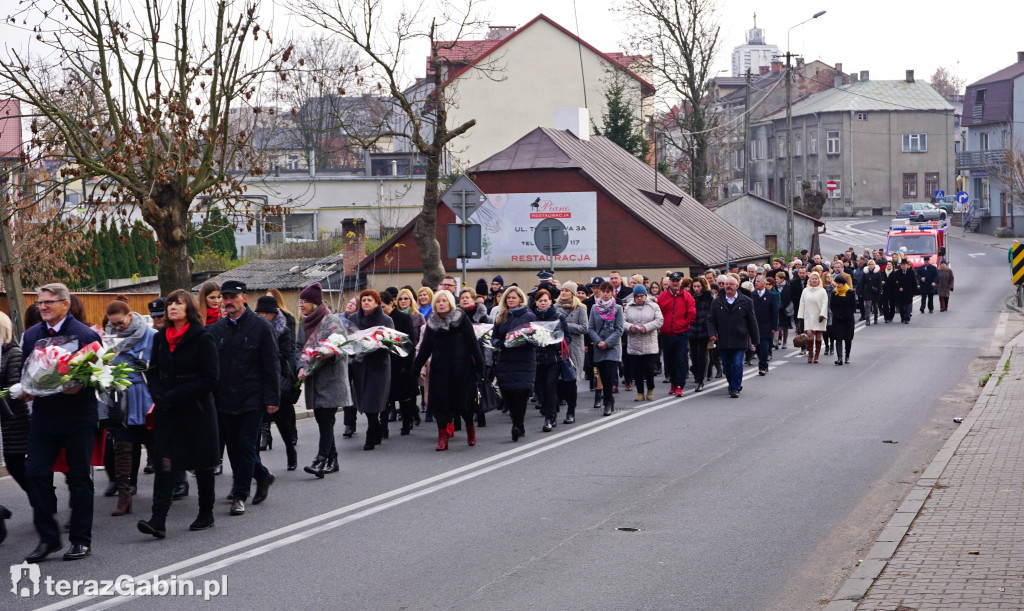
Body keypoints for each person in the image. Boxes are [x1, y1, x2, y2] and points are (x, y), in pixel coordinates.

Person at [20, 283, 101, 562]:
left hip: (77, 417)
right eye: (40, 303)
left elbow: (99, 376)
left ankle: (80, 540)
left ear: (65, 304)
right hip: (44, 419)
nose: (42, 307)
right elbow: (26, 373)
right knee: (34, 473)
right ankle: (49, 538)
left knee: (79, 479)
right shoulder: (31, 335)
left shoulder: (84, 335)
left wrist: (80, 386)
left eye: (48, 302)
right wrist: (26, 389)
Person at [136, 290, 220, 539]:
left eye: (178, 303)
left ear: (189, 308)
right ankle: (158, 519)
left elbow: (210, 379)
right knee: (164, 464)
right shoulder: (161, 337)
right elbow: (153, 371)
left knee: (202, 465)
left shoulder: (203, 337)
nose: (171, 307)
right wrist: (158, 394)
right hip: (168, 410)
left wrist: (175, 394)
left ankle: (206, 513)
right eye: (169, 303)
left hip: (196, 410)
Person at [208, 280, 280, 516]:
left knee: (247, 446)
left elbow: (271, 365)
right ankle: (262, 475)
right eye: (224, 298)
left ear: (244, 298)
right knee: (235, 449)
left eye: (232, 297)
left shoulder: (260, 327)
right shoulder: (217, 329)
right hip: (226, 399)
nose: (228, 302)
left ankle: (240, 495)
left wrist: (272, 398)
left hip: (252, 398)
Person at [413, 291, 484, 450]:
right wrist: (414, 370)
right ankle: (442, 438)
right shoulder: (431, 323)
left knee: (464, 406)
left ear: (450, 302)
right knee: (440, 405)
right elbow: (425, 349)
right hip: (440, 370)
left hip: (462, 369)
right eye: (438, 301)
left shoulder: (461, 319)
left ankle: (470, 430)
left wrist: (480, 367)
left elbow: (473, 344)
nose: (441, 303)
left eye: (444, 301)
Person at [104, 299, 156, 517]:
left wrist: (144, 365)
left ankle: (165, 494)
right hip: (122, 399)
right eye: (113, 324)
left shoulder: (151, 335)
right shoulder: (109, 338)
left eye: (121, 323)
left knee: (156, 448)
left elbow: (159, 364)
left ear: (131, 316)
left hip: (146, 397)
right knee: (122, 450)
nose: (117, 328)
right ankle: (124, 497)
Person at [296, 283, 351, 476]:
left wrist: (330, 354)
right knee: (321, 419)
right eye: (299, 302)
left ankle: (320, 460)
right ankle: (333, 459)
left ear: (314, 303)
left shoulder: (332, 320)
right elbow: (298, 349)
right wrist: (300, 366)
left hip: (332, 380)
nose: (301, 306)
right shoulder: (303, 323)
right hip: (314, 380)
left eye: (304, 302)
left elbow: (343, 348)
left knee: (326, 419)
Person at [254, 296, 298, 471]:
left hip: (278, 380)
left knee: (282, 421)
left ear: (274, 313)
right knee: (257, 423)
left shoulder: (283, 330)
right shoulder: (253, 329)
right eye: (261, 312)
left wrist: (266, 357)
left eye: (267, 312)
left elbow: (285, 354)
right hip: (258, 382)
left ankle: (290, 450)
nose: (264, 315)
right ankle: (256, 463)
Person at [349, 290, 394, 451]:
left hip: (378, 366)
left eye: (370, 300)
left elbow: (391, 344)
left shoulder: (386, 320)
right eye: (363, 300)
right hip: (360, 366)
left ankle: (371, 430)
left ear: (376, 302)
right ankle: (375, 427)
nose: (366, 303)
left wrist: (375, 344)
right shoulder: (353, 319)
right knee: (363, 398)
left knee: (372, 399)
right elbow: (349, 340)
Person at [491, 286, 537, 441]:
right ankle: (517, 422)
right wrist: (501, 343)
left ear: (520, 299)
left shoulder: (529, 316)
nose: (511, 300)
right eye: (508, 298)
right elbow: (494, 337)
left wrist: (522, 340)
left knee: (520, 393)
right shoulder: (501, 316)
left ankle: (517, 425)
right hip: (506, 360)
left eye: (514, 297)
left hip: (524, 360)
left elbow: (535, 337)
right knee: (509, 394)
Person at [0, 311, 29, 541]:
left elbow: (13, 390)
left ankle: (43, 501)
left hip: (12, 422)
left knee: (17, 467)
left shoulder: (13, 353)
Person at [706, 276, 758, 398]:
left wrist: (755, 339)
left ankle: (735, 387)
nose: (728, 286)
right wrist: (712, 333)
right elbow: (711, 319)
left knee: (737, 364)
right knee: (727, 366)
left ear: (736, 286)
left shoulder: (746, 301)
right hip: (723, 339)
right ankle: (731, 383)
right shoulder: (717, 301)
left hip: (739, 338)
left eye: (731, 284)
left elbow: (752, 321)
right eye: (726, 284)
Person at [530, 289, 568, 432]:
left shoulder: (558, 316)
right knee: (539, 388)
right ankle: (550, 410)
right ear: (536, 302)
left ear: (551, 301)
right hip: (537, 359)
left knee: (550, 387)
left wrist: (557, 343)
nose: (543, 303)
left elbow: (567, 336)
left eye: (546, 300)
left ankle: (549, 418)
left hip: (554, 358)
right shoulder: (531, 317)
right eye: (540, 301)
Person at [381, 292, 418, 435]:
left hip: (401, 361)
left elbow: (410, 342)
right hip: (386, 362)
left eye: (383, 306)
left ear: (391, 303)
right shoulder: (380, 319)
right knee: (384, 397)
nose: (381, 309)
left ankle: (406, 423)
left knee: (404, 395)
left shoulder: (403, 318)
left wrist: (407, 365)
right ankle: (383, 427)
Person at [657, 272, 696, 396]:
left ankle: (679, 385)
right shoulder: (662, 297)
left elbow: (691, 314)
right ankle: (673, 383)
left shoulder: (687, 297)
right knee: (668, 360)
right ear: (669, 282)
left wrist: (683, 324)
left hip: (681, 334)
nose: (675, 283)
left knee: (680, 359)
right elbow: (658, 313)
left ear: (680, 282)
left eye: (677, 281)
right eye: (673, 281)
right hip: (666, 334)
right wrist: (662, 326)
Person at [623, 284, 664, 401]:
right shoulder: (628, 307)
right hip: (634, 343)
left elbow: (659, 321)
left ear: (646, 296)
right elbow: (622, 322)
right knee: (637, 370)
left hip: (649, 343)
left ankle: (650, 389)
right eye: (637, 296)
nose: (640, 298)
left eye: (642, 296)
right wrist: (630, 327)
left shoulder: (653, 306)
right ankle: (640, 392)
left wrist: (646, 327)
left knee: (649, 369)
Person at [589, 282, 624, 416]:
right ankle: (609, 398)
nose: (605, 294)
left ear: (612, 293)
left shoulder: (618, 308)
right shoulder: (594, 308)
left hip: (612, 346)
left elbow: (619, 329)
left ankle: (607, 402)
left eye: (608, 291)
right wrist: (599, 341)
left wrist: (607, 343)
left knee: (609, 374)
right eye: (603, 291)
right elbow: (590, 328)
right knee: (602, 375)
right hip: (599, 347)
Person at [556, 282, 586, 423]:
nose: (563, 293)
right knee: (559, 381)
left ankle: (571, 410)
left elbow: (584, 328)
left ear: (573, 293)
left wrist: (567, 325)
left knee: (571, 380)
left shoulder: (580, 309)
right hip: (559, 348)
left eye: (566, 290)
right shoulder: (555, 308)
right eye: (562, 290)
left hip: (574, 348)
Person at [687, 277, 713, 392]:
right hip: (692, 330)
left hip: (704, 329)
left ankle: (701, 379)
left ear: (703, 286)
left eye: (698, 286)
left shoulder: (708, 297)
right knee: (693, 355)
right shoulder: (689, 297)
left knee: (702, 355)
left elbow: (712, 314)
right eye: (694, 286)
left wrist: (711, 330)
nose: (696, 289)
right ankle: (697, 374)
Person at [797, 272, 829, 363]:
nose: (814, 280)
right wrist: (800, 317)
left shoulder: (822, 291)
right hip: (808, 316)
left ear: (819, 280)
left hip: (819, 317)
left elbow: (824, 304)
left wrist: (822, 314)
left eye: (816, 279)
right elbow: (802, 304)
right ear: (810, 280)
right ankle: (810, 354)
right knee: (810, 335)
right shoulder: (805, 290)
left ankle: (817, 355)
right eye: (812, 279)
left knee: (818, 336)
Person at [750, 276, 778, 376]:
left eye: (758, 281)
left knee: (764, 347)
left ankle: (762, 366)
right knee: (757, 347)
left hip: (766, 325)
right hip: (755, 325)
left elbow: (775, 312)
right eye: (755, 281)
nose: (756, 283)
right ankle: (764, 365)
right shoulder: (752, 295)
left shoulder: (771, 295)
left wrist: (774, 326)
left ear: (764, 283)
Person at [830, 276, 857, 365]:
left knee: (848, 338)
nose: (838, 285)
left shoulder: (850, 292)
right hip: (837, 319)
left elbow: (853, 306)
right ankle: (839, 358)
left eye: (839, 284)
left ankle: (847, 356)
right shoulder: (834, 293)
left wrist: (846, 315)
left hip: (848, 319)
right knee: (838, 338)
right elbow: (832, 306)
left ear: (843, 284)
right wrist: (837, 315)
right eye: (837, 283)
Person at [893, 259, 919, 324]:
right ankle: (902, 317)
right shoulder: (897, 272)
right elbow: (894, 282)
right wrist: (898, 287)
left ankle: (907, 318)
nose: (903, 266)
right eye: (902, 265)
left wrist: (915, 291)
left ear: (907, 265)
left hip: (908, 291)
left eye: (904, 265)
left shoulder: (911, 272)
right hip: (900, 292)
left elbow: (914, 282)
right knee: (901, 306)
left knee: (907, 305)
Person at [860, 259, 882, 325]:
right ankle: (867, 319)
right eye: (869, 264)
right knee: (868, 304)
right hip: (868, 290)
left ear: (874, 265)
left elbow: (879, 282)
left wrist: (880, 290)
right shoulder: (865, 272)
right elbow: (862, 282)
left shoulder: (877, 272)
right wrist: (860, 291)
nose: (871, 266)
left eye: (872, 264)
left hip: (875, 290)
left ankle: (875, 318)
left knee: (875, 305)